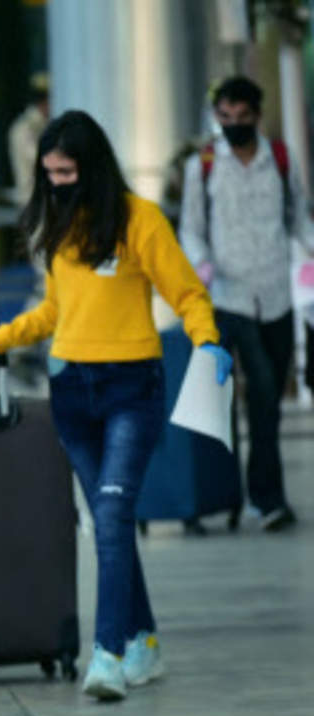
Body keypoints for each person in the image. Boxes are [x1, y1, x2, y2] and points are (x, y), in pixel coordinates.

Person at [0, 110, 234, 701]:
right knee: (108, 523)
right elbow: (56, 311)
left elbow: (185, 290)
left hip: (132, 388)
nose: (57, 183)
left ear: (92, 167)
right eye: (49, 173)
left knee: (111, 518)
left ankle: (107, 654)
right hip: (72, 392)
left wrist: (208, 339)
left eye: (66, 171)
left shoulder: (140, 220)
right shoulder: (60, 225)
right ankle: (144, 641)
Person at [179, 75, 310, 532]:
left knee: (268, 399)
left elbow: (298, 216)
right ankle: (232, 496)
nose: (233, 124)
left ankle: (264, 497)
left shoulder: (280, 158)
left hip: (275, 292)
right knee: (233, 392)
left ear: (257, 115)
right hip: (227, 294)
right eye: (225, 117)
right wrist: (201, 263)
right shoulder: (204, 166)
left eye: (242, 117)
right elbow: (191, 227)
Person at [8, 72, 51, 206]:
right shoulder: (25, 128)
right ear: (44, 101)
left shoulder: (45, 124)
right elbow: (43, 159)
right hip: (34, 202)